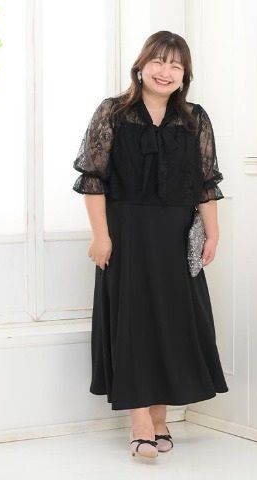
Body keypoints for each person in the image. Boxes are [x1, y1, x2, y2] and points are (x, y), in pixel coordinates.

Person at [72, 30, 229, 459]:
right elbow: (93, 179)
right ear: (141, 66)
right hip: (126, 234)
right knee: (134, 322)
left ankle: (160, 418)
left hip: (176, 237)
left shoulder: (195, 119)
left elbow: (206, 183)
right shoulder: (113, 113)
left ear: (185, 75)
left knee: (174, 322)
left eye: (176, 65)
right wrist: (101, 235)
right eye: (158, 61)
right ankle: (140, 420)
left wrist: (213, 233)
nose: (166, 71)